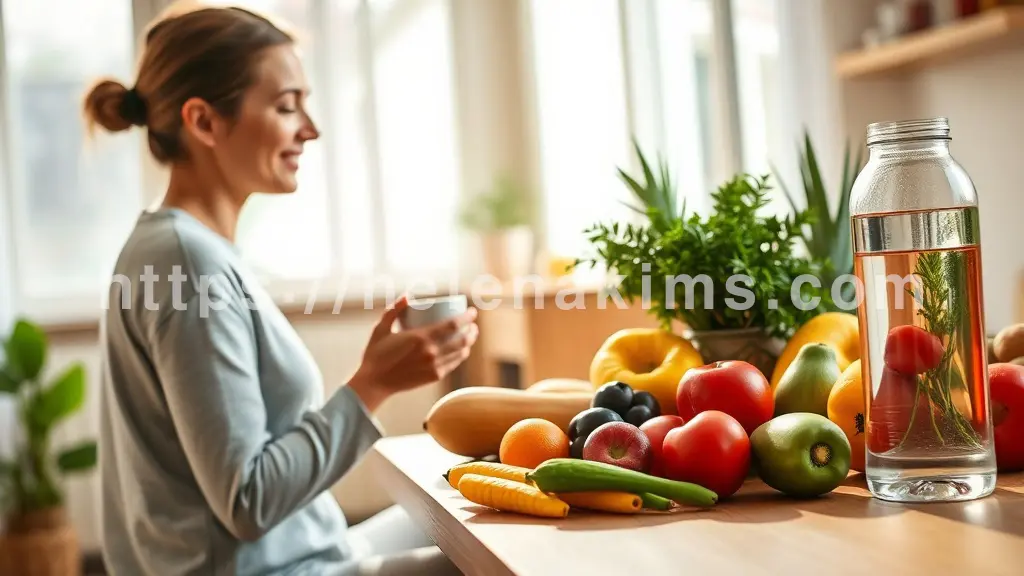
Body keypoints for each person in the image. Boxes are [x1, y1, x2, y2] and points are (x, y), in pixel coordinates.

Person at [84, 5, 475, 575]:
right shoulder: (186, 261)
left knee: (470, 512)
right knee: (499, 561)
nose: (310, 129)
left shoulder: (186, 249)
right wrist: (372, 385)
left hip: (300, 553)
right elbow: (249, 500)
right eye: (287, 106)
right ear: (204, 122)